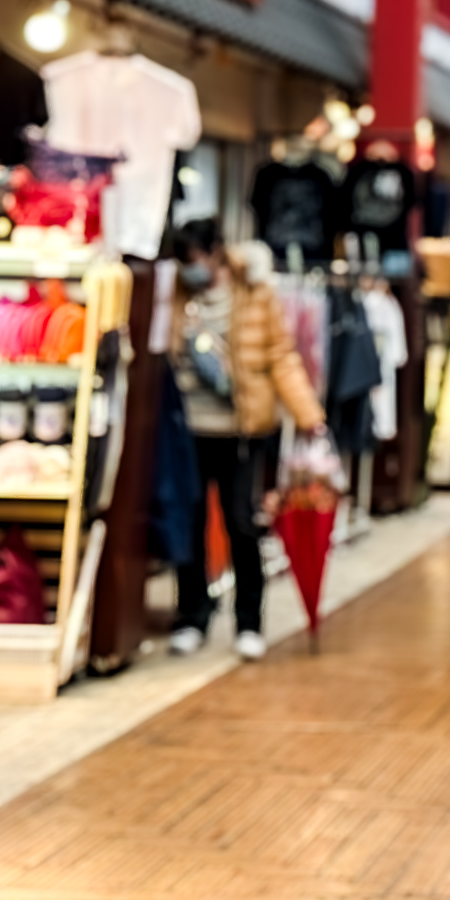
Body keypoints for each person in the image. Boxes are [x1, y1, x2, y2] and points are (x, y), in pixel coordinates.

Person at [164, 220, 323, 661]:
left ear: (216, 253)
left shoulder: (254, 294)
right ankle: (192, 616)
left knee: (241, 522)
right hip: (187, 431)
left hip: (241, 430)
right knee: (190, 522)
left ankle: (249, 622)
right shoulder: (177, 295)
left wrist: (309, 415)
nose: (191, 269)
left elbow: (281, 357)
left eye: (195, 259)